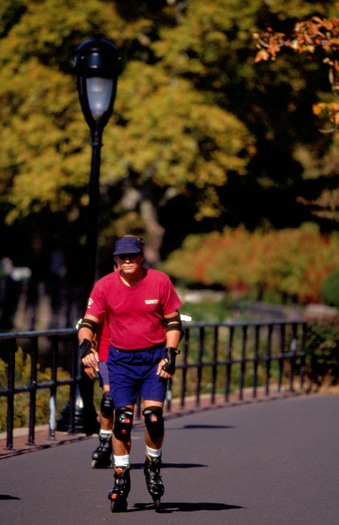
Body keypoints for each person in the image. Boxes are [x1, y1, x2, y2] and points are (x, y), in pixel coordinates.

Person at [78, 235, 183, 512]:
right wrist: (84, 345)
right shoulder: (104, 286)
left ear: (141, 257)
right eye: (122, 257)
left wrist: (170, 355)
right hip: (121, 361)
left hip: (153, 360)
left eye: (132, 256)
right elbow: (88, 321)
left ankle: (152, 466)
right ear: (116, 259)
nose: (127, 261)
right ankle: (121, 478)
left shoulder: (159, 281)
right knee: (122, 420)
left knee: (153, 418)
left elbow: (173, 321)